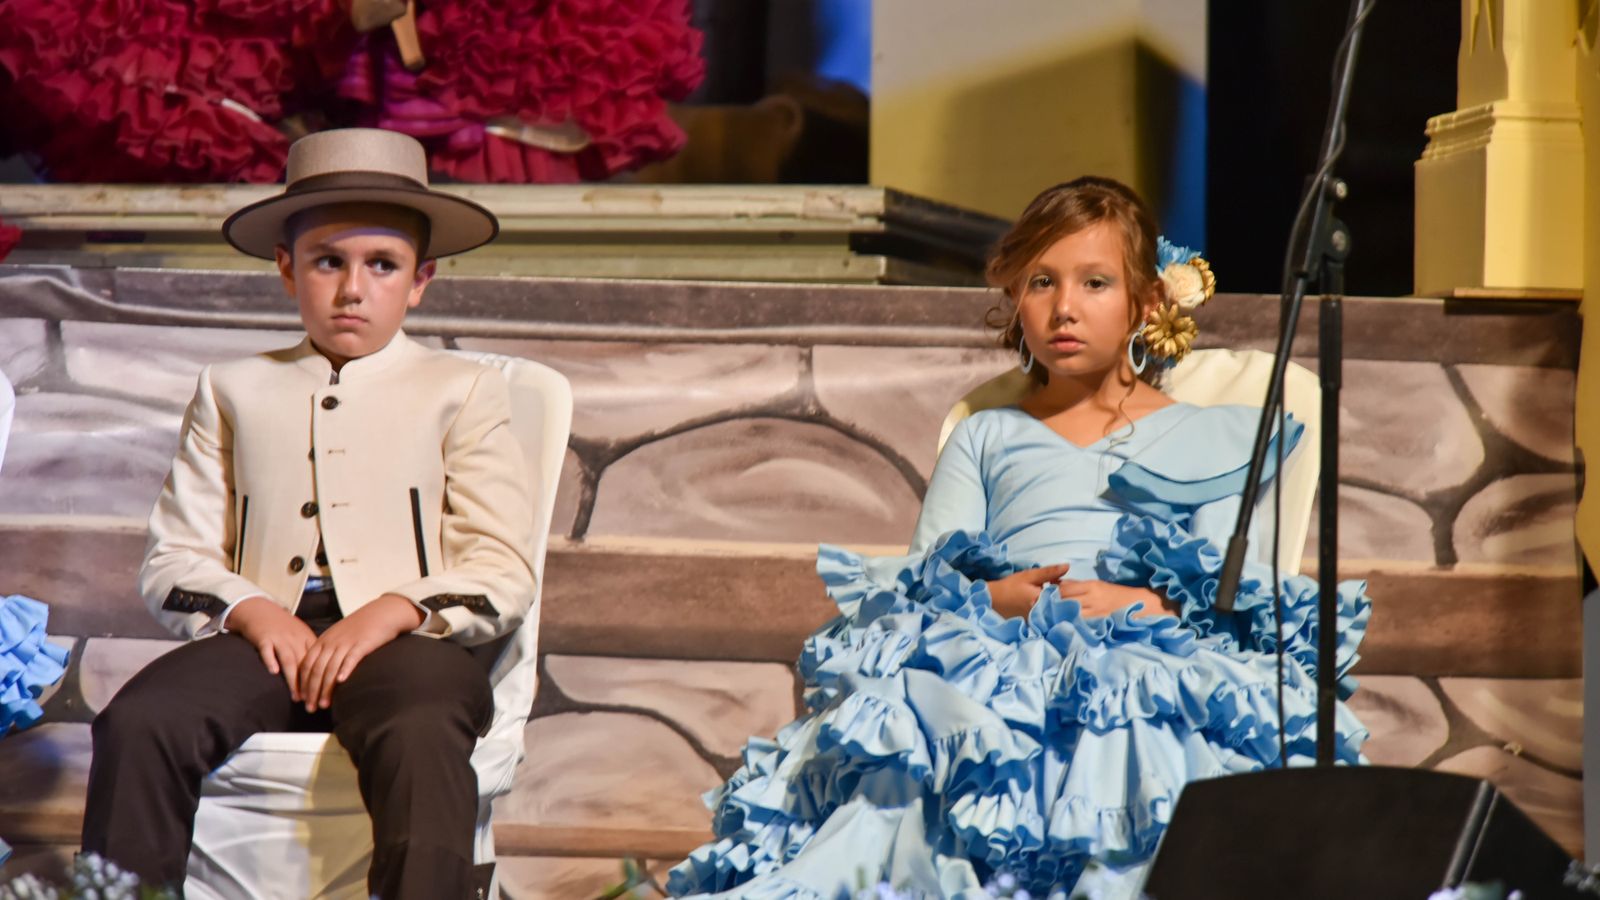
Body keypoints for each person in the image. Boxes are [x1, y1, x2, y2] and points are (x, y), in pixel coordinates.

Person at [667, 177, 1372, 899]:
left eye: (1095, 283)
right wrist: (995, 596)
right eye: (1042, 282)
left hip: (1145, 648)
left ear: (1147, 302)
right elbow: (926, 575)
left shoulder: (1214, 436)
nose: (1065, 307)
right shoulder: (986, 434)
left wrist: (1145, 603)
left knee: (1133, 717)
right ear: (1015, 298)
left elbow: (1233, 584)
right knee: (922, 732)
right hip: (1000, 644)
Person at [80, 128, 537, 899]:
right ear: (286, 268)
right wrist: (255, 613)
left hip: (406, 644)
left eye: (382, 266)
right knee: (140, 722)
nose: (353, 289)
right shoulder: (232, 388)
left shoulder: (460, 391)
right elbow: (173, 558)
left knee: (423, 735)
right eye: (329, 262)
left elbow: (499, 568)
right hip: (262, 643)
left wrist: (391, 611)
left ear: (420, 281)